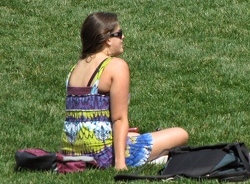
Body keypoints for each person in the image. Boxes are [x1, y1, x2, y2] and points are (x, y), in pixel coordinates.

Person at [60, 12, 188, 170]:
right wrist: (120, 163)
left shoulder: (76, 68)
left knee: (134, 136)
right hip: (102, 155)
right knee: (180, 134)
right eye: (119, 34)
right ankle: (149, 159)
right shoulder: (116, 66)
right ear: (107, 39)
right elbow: (119, 119)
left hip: (72, 154)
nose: (123, 37)